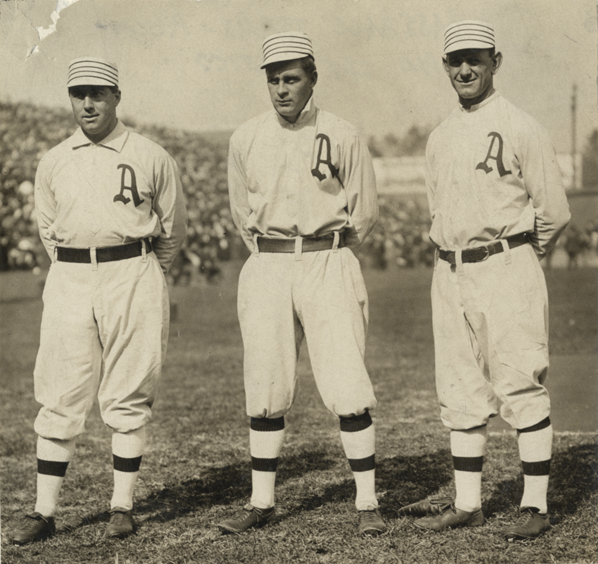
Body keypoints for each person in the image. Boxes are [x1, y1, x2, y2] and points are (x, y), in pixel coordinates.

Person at [397, 21, 570, 540]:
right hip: (449, 269)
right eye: (455, 60)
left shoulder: (521, 126)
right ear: (445, 66)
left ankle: (534, 506)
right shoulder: (440, 135)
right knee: (460, 387)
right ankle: (467, 502)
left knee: (520, 380)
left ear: (495, 60)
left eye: (474, 58)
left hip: (507, 265)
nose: (465, 69)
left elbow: (555, 212)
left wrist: (517, 256)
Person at [11, 57, 187, 544]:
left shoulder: (151, 154)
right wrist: (79, 264)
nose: (87, 103)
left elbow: (171, 231)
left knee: (129, 389)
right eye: (78, 94)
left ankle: (122, 506)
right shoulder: (53, 159)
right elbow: (48, 230)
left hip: (133, 270)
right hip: (69, 274)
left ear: (116, 97)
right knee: (60, 388)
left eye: (98, 93)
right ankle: (44, 512)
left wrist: (140, 269)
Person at [220, 32, 385, 536]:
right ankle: (261, 501)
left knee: (346, 380)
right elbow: (240, 215)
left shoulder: (343, 132)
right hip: (268, 264)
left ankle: (367, 503)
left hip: (327, 259)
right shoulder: (245, 137)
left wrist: (327, 251)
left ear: (312, 77)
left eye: (291, 79)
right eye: (273, 80)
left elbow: (366, 212)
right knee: (266, 383)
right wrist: (274, 256)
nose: (282, 90)